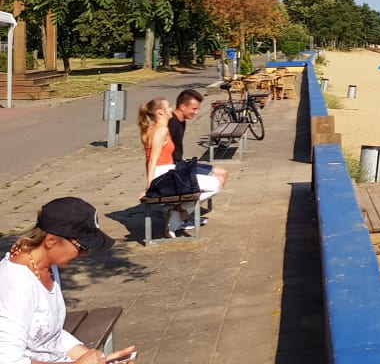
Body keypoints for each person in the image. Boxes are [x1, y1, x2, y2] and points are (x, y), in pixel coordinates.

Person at [0, 197, 136, 364]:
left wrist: (100, 359)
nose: (85, 254)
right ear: (51, 240)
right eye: (81, 247)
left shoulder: (48, 267)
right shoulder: (14, 285)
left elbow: (51, 336)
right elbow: (8, 360)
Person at [139, 98, 220, 236]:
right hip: (165, 174)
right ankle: (177, 215)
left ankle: (174, 211)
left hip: (167, 172)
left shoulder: (153, 129)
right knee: (215, 185)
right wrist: (149, 187)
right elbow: (152, 160)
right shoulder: (161, 130)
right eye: (168, 107)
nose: (171, 109)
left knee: (206, 182)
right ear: (160, 112)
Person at [168, 90, 228, 198]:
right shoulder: (172, 123)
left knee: (223, 173)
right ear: (182, 107)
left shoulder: (182, 121)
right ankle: (181, 210)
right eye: (194, 109)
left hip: (181, 163)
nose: (196, 113)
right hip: (175, 167)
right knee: (218, 180)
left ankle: (181, 208)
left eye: (197, 109)